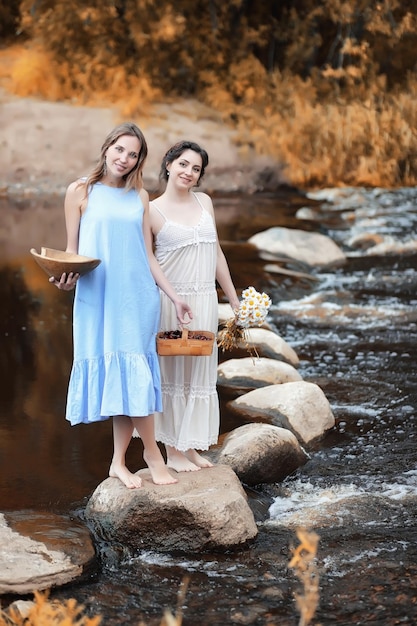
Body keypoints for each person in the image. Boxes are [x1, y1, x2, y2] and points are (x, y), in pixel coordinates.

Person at [49, 122, 192, 489]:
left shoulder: (139, 196)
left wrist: (174, 296)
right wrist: (64, 278)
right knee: (121, 382)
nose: (124, 159)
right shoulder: (80, 191)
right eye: (119, 149)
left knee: (136, 378)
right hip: (98, 298)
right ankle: (118, 463)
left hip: (137, 297)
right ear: (107, 147)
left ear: (139, 160)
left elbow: (148, 255)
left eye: (133, 154)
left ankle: (150, 456)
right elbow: (73, 252)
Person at [149, 140, 240, 472]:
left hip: (205, 299)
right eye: (183, 164)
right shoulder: (152, 210)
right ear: (169, 164)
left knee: (199, 376)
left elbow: (216, 253)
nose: (189, 172)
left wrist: (231, 296)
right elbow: (149, 262)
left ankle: (189, 448)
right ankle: (172, 451)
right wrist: (173, 297)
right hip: (173, 302)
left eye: (196, 169)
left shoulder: (205, 202)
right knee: (172, 375)